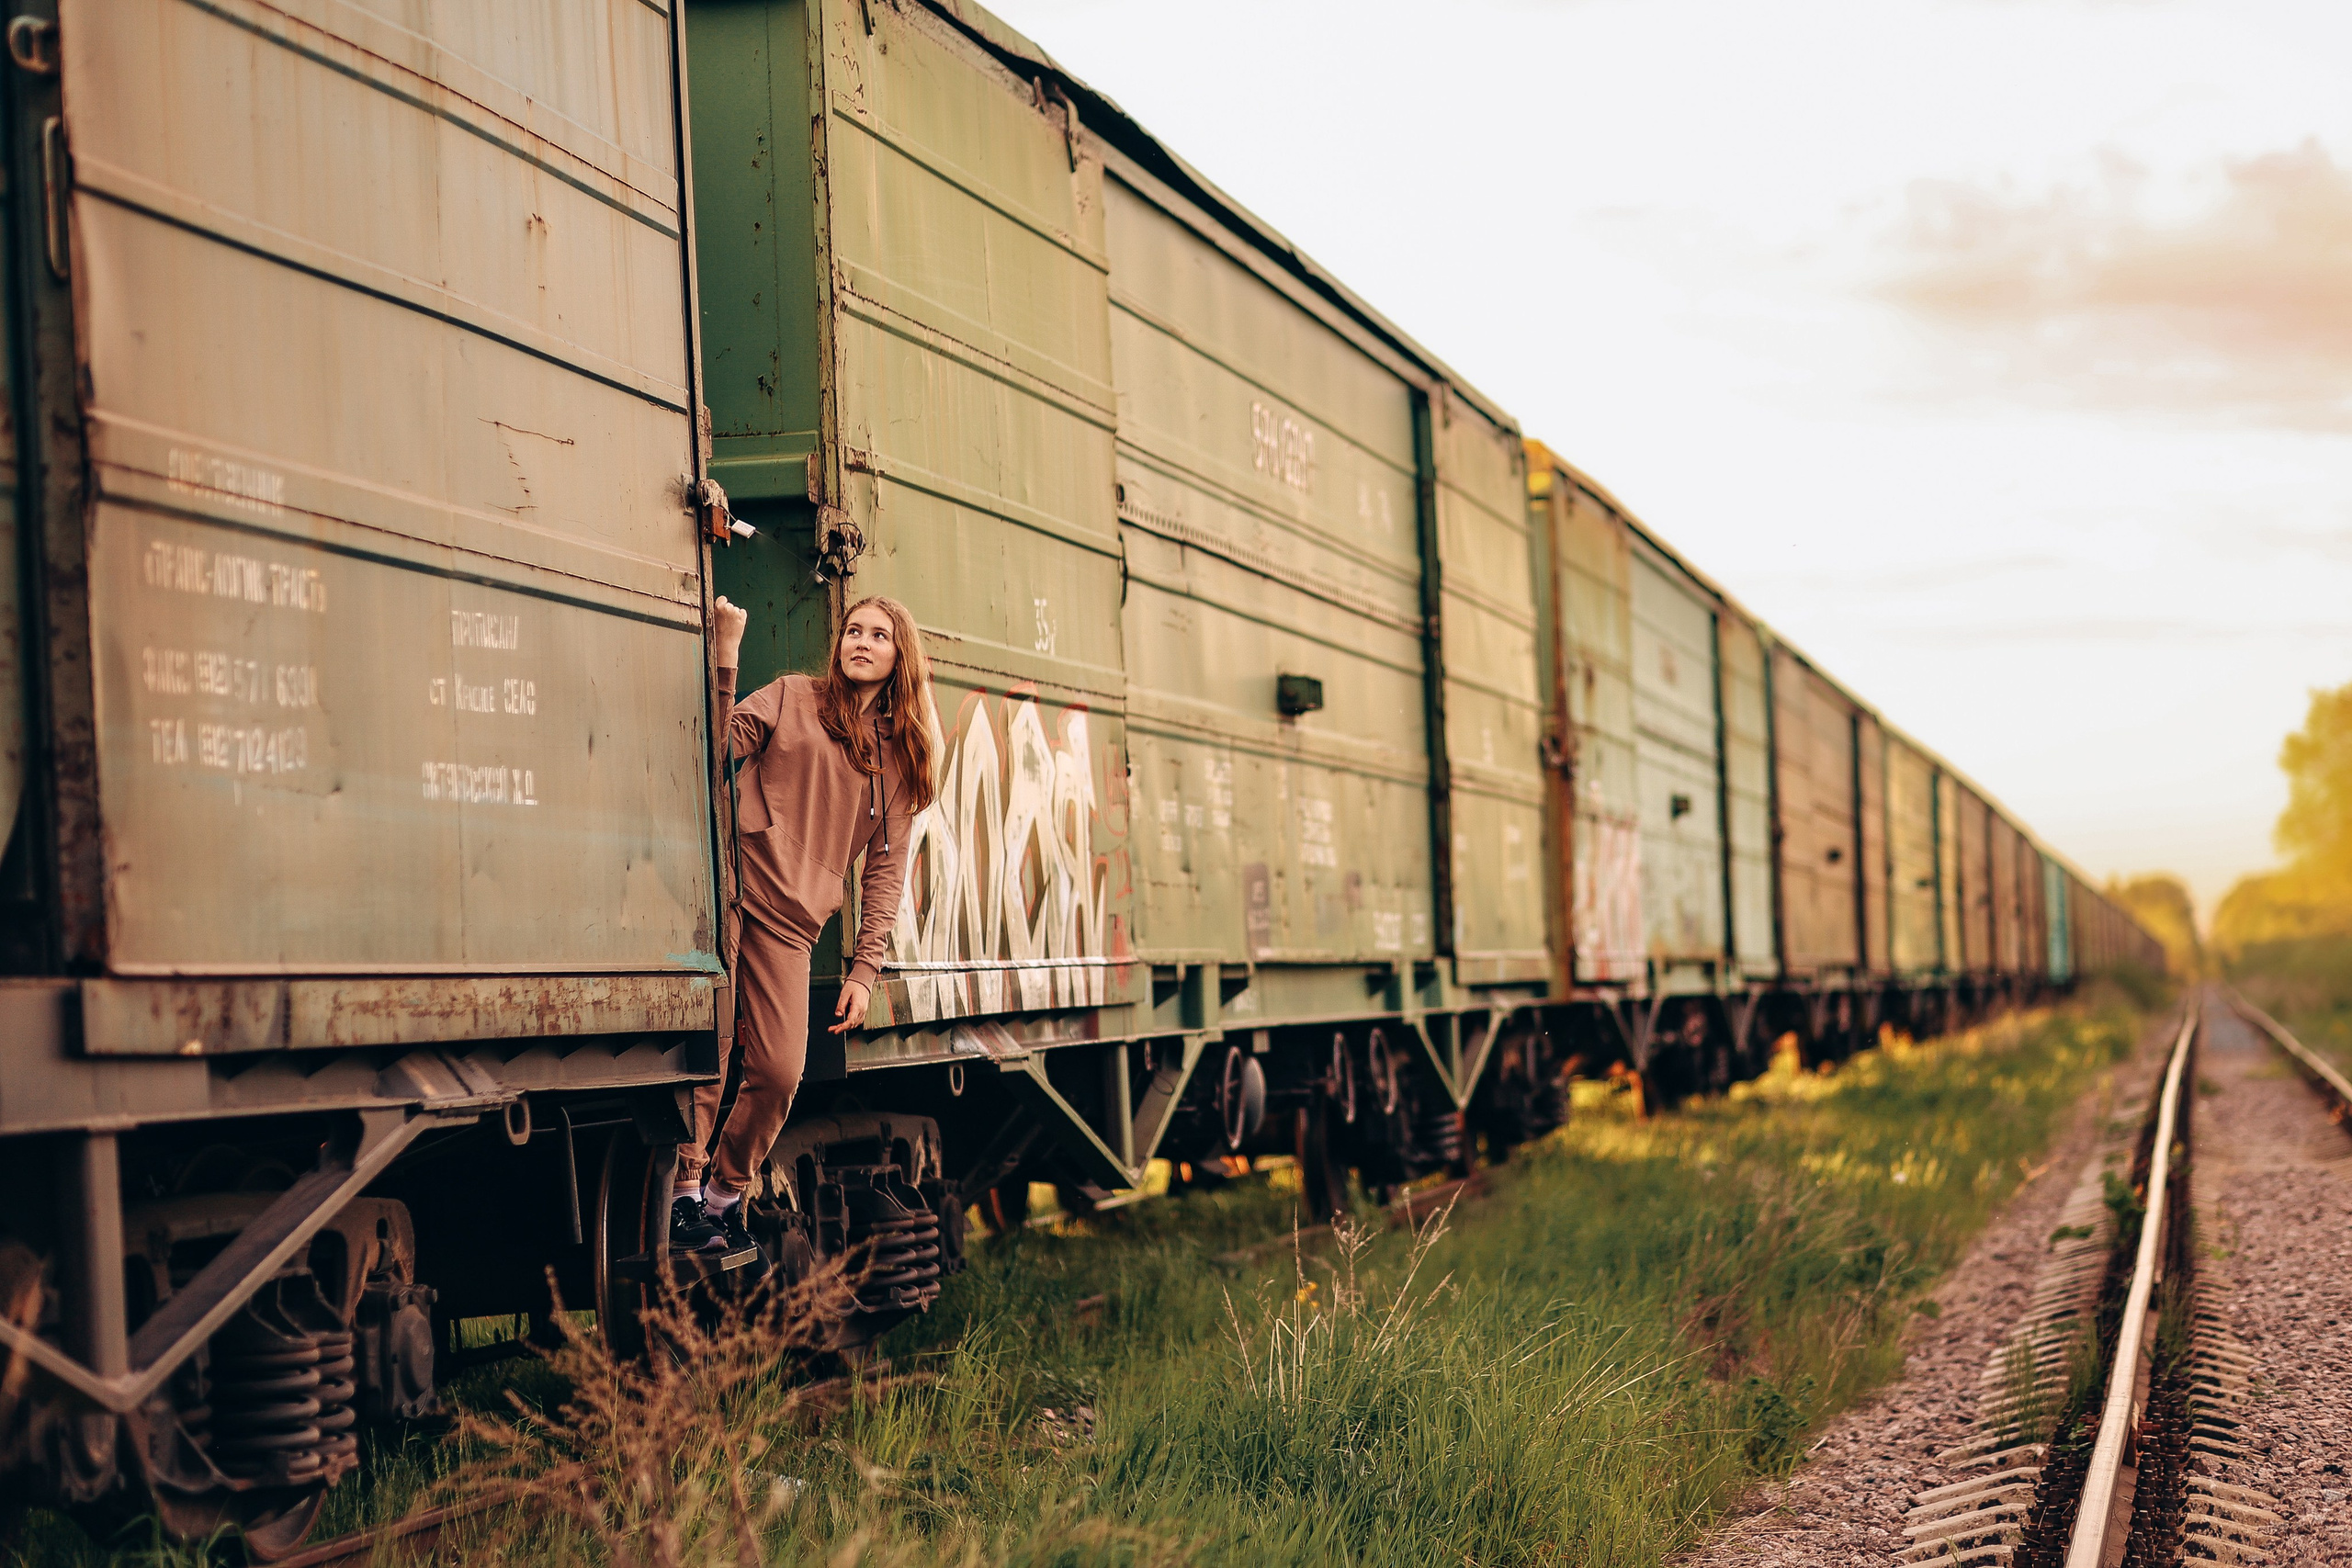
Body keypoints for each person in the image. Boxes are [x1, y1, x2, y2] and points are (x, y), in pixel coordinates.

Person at [672, 593, 939, 1254]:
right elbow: (716, 742)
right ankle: (683, 1193)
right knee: (712, 1051)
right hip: (733, 890)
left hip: (795, 923)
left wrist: (865, 968)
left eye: (879, 634)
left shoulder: (897, 760)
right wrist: (726, 653)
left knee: (782, 1069)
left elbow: (884, 872)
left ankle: (725, 1195)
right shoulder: (793, 696)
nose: (861, 641)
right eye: (853, 630)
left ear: (900, 655)